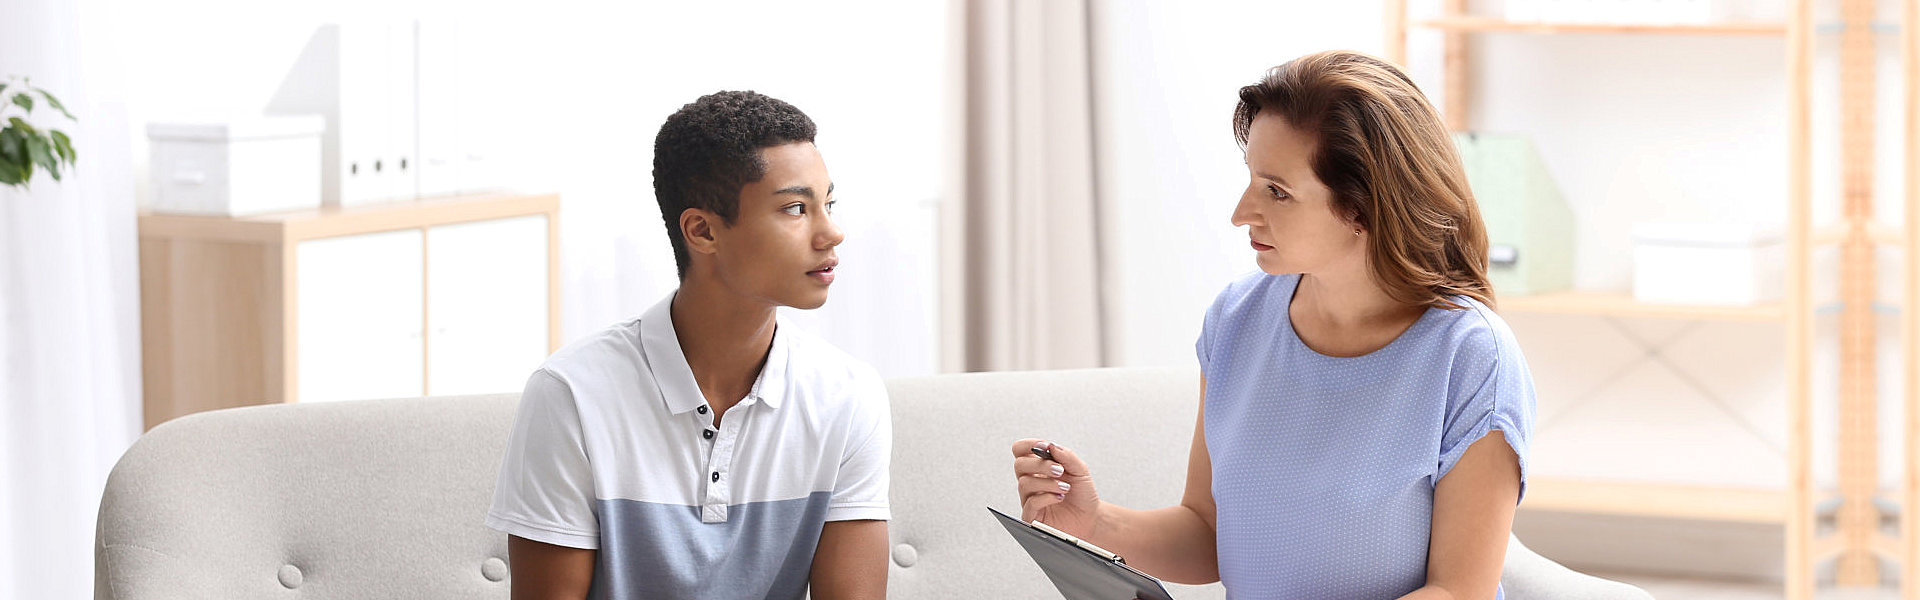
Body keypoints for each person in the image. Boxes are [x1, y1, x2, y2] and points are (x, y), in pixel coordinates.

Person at [1010, 50, 1536, 600]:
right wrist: (1096, 524)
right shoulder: (1237, 320)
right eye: (1252, 181)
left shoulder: (1472, 356)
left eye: (1277, 192)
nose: (1242, 213)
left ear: (1364, 208)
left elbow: (1458, 592)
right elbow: (1210, 532)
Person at [488, 90, 891, 600]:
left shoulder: (848, 396)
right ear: (701, 231)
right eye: (795, 208)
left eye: (827, 203)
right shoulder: (572, 395)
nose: (831, 232)